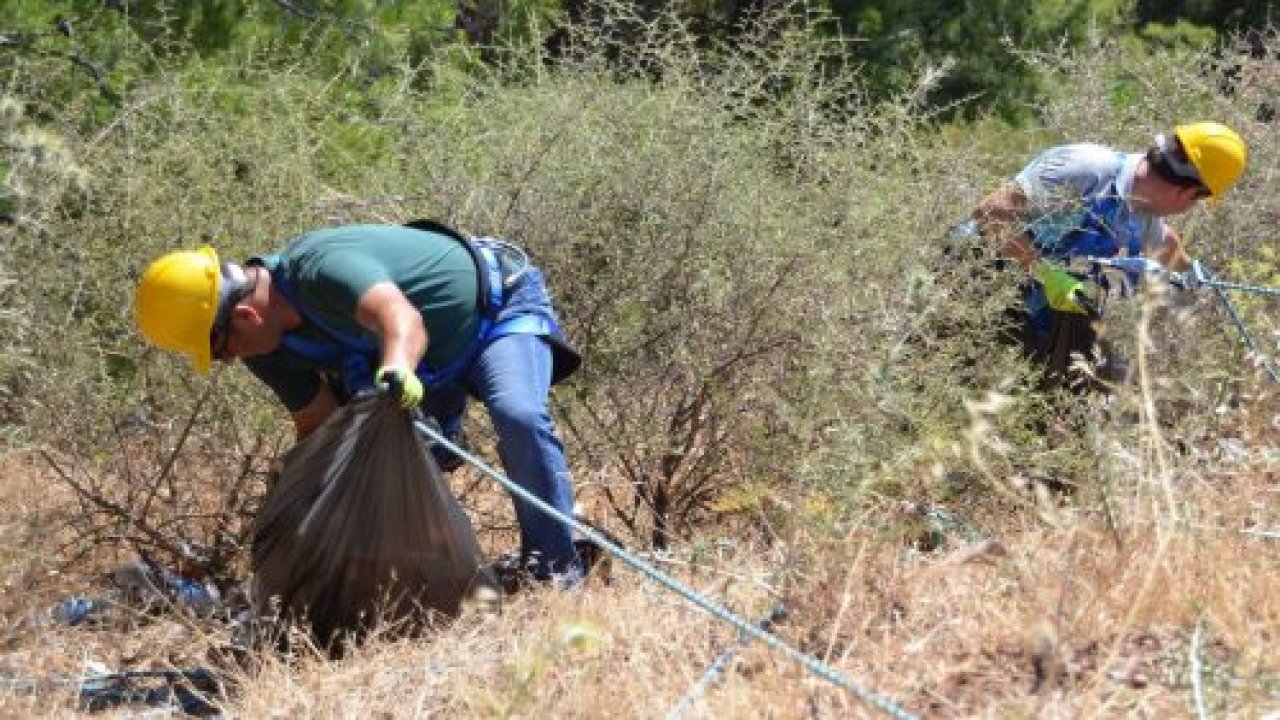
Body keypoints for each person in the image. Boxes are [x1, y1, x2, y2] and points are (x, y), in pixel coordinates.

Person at [133, 221, 586, 585]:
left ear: (245, 316)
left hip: (494, 312)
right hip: (430, 369)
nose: (229, 360)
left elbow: (401, 318)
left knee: (517, 414)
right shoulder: (268, 354)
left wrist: (397, 369)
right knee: (387, 459)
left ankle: (556, 571)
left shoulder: (321, 268)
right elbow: (319, 424)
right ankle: (438, 584)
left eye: (221, 348)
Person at [967, 121, 1247, 391]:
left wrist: (1192, 271)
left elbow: (1163, 240)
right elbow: (990, 213)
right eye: (1197, 201)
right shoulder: (1086, 170)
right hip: (971, 282)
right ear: (1185, 192)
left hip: (1027, 311)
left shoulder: (1143, 210)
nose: (1190, 208)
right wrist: (1045, 272)